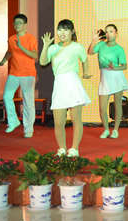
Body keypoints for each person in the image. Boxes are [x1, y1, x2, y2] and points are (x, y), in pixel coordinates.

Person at [39, 19, 91, 157]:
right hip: (59, 84)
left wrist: (86, 73)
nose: (62, 33)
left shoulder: (77, 47)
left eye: (66, 29)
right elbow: (43, 62)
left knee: (76, 119)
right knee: (58, 122)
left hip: (73, 83)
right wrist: (45, 46)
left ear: (72, 31)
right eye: (60, 29)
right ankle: (62, 149)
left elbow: (85, 60)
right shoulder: (53, 48)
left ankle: (74, 149)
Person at [0, 13, 38, 137]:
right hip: (14, 72)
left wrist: (21, 47)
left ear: (25, 25)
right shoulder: (11, 38)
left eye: (20, 23)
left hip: (28, 74)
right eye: (15, 23)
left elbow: (35, 55)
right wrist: (3, 61)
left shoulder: (31, 38)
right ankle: (13, 121)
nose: (17, 25)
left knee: (28, 102)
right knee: (7, 96)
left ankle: (28, 129)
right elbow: (10, 52)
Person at [88, 24, 128, 140]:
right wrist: (94, 41)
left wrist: (114, 67)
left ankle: (115, 130)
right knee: (102, 108)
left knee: (117, 105)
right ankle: (106, 129)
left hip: (116, 77)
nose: (108, 34)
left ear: (116, 33)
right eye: (106, 32)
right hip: (105, 78)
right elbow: (90, 52)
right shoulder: (101, 45)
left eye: (111, 31)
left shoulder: (119, 49)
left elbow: (124, 66)